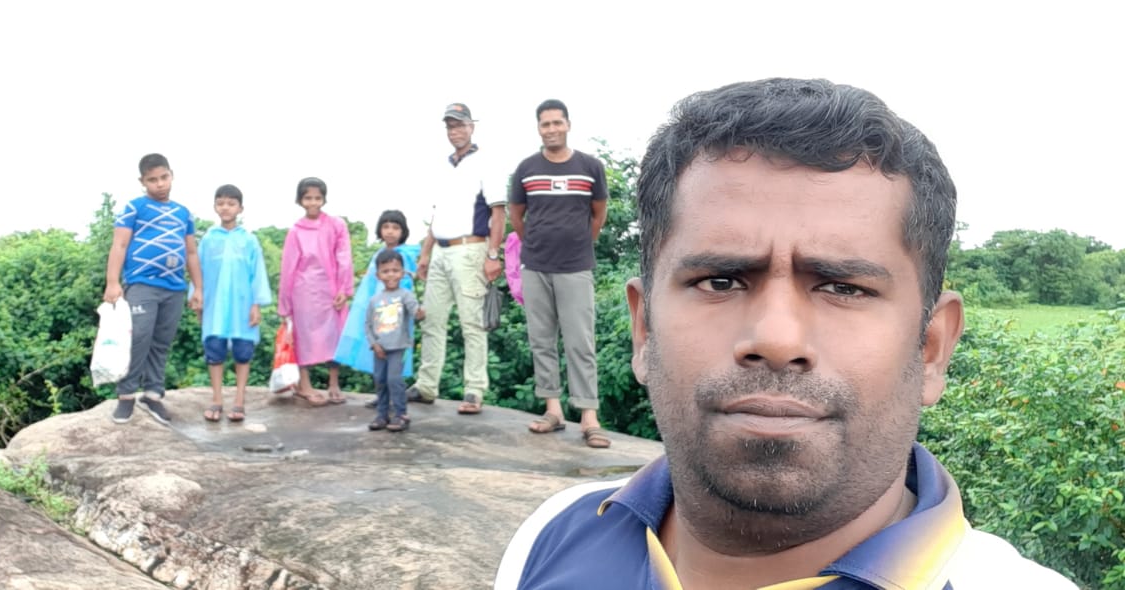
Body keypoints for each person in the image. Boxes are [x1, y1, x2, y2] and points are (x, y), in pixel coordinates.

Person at [495, 79, 1076, 589]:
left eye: (843, 287)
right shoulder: (551, 537)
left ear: (931, 348)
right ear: (644, 328)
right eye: (720, 280)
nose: (776, 339)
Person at [508, 99, 610, 449]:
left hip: (576, 266)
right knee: (541, 340)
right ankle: (553, 410)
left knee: (581, 341)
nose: (551, 129)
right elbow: (517, 216)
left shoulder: (590, 167)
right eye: (545, 124)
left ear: (568, 124)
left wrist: (579, 243)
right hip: (536, 265)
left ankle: (589, 417)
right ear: (538, 128)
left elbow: (598, 214)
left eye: (556, 123)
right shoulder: (526, 169)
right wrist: (536, 244)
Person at [410, 102, 505, 415]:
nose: (455, 131)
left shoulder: (486, 162)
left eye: (460, 125)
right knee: (432, 320)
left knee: (472, 323)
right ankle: (426, 386)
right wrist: (425, 253)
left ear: (471, 127)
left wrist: (493, 255)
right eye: (450, 126)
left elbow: (498, 212)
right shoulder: (443, 166)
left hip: (471, 248)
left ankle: (474, 389)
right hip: (440, 248)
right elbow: (437, 214)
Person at [103, 153, 202, 425]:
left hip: (174, 288)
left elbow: (191, 253)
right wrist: (112, 282)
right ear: (142, 181)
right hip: (141, 284)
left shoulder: (183, 213)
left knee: (161, 341)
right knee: (139, 338)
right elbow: (119, 245)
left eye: (164, 177)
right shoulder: (134, 208)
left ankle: (153, 394)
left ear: (172, 175)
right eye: (152, 180)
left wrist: (198, 288)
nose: (159, 184)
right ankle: (126, 396)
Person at [197, 184, 273, 423]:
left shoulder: (249, 240)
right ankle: (217, 399)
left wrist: (256, 304)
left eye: (231, 204)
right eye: (221, 203)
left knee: (243, 352)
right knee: (214, 350)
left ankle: (239, 400)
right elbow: (198, 271)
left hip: (243, 305)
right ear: (214, 207)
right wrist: (197, 298)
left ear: (240, 208)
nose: (225, 208)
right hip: (214, 305)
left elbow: (257, 273)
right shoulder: (208, 239)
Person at [279, 177, 354, 406]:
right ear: (300, 200)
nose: (313, 202)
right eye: (308, 198)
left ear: (324, 199)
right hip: (304, 291)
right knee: (303, 337)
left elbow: (344, 257)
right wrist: (285, 305)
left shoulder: (336, 225)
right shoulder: (296, 231)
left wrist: (344, 289)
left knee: (335, 335)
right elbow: (288, 268)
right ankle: (305, 385)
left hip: (331, 291)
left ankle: (334, 383)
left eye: (317, 198)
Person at [336, 209, 422, 382]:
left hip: (395, 312)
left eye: (395, 228)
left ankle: (394, 394)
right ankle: (382, 393)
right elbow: (369, 285)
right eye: (386, 227)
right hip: (377, 310)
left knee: (394, 356)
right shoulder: (378, 254)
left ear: (403, 231)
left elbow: (406, 285)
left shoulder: (405, 255)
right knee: (378, 354)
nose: (390, 231)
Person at [365, 248, 423, 433]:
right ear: (378, 275)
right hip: (379, 348)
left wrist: (420, 312)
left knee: (394, 379)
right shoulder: (374, 300)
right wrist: (374, 344)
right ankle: (382, 414)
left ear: (402, 273)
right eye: (385, 271)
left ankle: (400, 414)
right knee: (380, 380)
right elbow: (368, 325)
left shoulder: (405, 295)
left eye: (395, 270)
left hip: (398, 347)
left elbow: (415, 311)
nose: (391, 275)